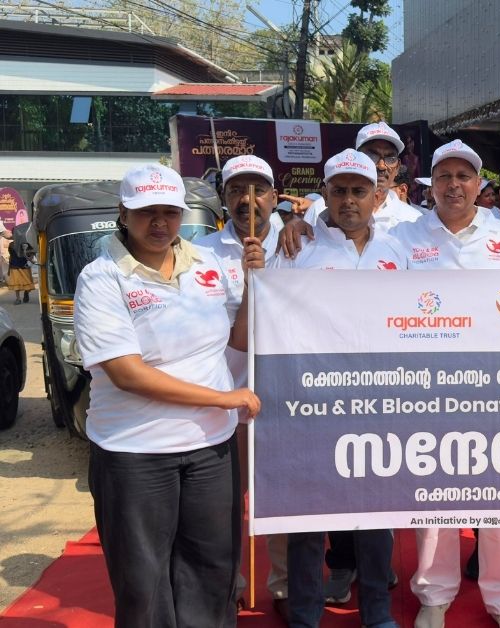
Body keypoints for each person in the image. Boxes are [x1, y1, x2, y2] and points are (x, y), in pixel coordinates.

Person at [73, 163, 261, 628]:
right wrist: (224, 399)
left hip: (210, 448)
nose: (159, 223)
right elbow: (127, 374)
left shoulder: (206, 263)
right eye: (146, 212)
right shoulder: (101, 277)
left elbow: (237, 339)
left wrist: (252, 285)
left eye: (170, 212)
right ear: (123, 213)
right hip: (135, 451)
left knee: (212, 571)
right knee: (144, 584)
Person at [388, 140, 500, 628]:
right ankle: (434, 594)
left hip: (497, 388)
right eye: (444, 176)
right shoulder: (404, 237)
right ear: (430, 184)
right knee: (435, 495)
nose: (454, 185)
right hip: (427, 388)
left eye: (464, 176)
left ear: (479, 184)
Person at [267, 149, 405, 628]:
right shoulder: (296, 249)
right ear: (324, 193)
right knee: (308, 519)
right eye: (339, 190)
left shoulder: (397, 250)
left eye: (359, 191)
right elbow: (272, 321)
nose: (349, 200)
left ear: (376, 196)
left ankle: (377, 611)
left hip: (381, 404)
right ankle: (305, 616)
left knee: (375, 516)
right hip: (311, 405)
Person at [193, 154, 290, 613]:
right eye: (236, 190)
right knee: (227, 503)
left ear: (274, 196)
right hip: (228, 399)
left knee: (281, 500)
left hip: (286, 399)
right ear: (224, 198)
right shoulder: (202, 253)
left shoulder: (300, 241)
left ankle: (284, 585)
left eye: (257, 190)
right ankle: (229, 583)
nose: (247, 200)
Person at [355, 122, 423, 230]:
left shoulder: (414, 221)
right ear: (355, 160)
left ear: (397, 167)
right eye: (372, 156)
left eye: (390, 159)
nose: (382, 166)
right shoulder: (330, 214)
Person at [6, 236, 32, 303]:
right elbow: (11, 256)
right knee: (17, 283)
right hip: (17, 266)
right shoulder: (12, 244)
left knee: (23, 282)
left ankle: (24, 294)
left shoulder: (12, 244)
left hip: (20, 265)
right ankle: (18, 298)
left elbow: (30, 255)